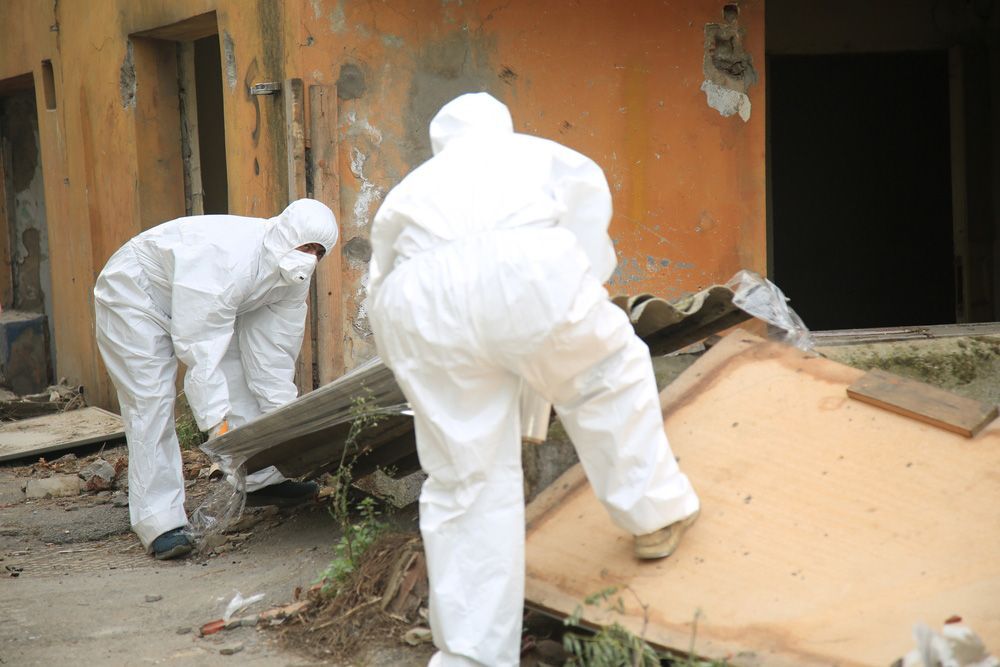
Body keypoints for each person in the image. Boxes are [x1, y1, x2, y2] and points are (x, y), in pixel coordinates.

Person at [368, 93, 700, 666]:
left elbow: (380, 276)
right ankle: (654, 514)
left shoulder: (413, 186)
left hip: (417, 300)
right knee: (605, 375)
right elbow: (587, 225)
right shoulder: (537, 154)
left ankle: (470, 657)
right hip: (524, 266)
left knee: (463, 478)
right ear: (502, 125)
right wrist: (568, 313)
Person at [94, 199, 338, 560]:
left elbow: (273, 357)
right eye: (305, 247)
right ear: (286, 236)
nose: (310, 257)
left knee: (240, 373)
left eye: (319, 252)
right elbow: (201, 348)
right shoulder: (229, 259)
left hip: (201, 307)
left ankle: (260, 478)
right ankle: (158, 520)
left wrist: (291, 433)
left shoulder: (291, 278)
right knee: (150, 402)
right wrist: (216, 426)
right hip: (136, 295)